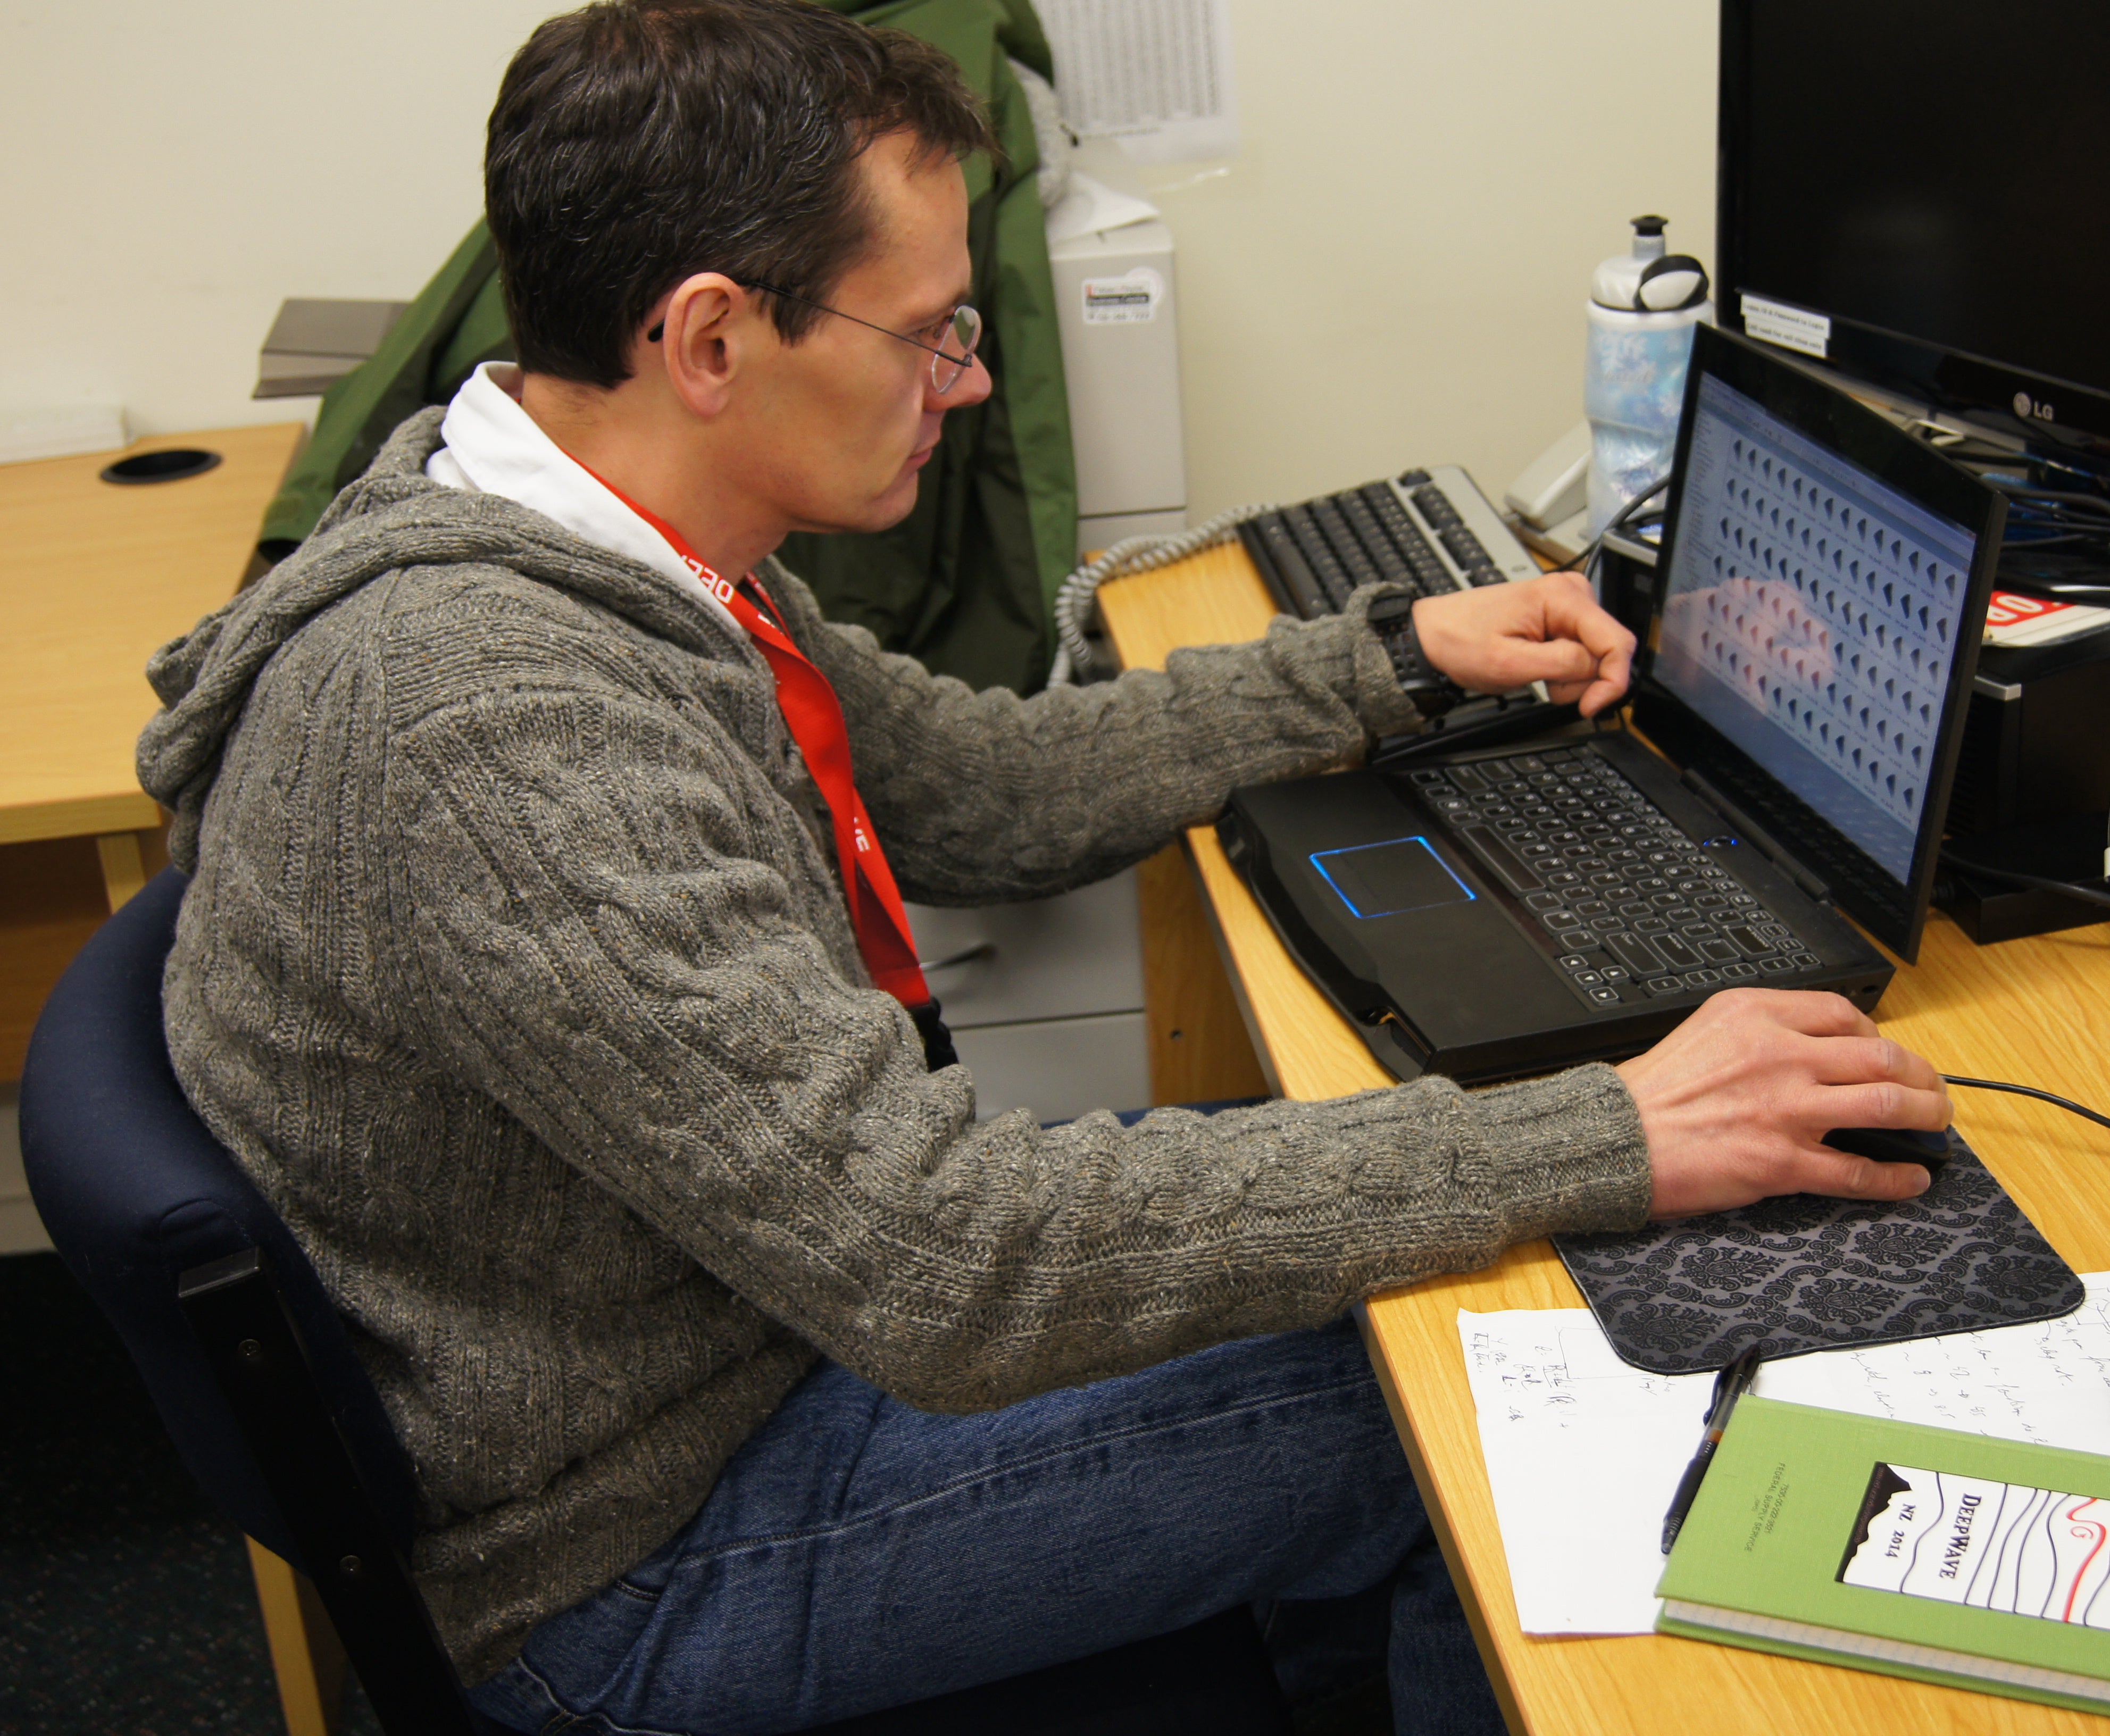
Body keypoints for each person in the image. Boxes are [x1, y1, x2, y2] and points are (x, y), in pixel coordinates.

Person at [136, 3, 1952, 1730]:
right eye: (928, 329)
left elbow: (982, 789)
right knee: (1474, 1394)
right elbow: (943, 1262)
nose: (973, 373)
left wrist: (1387, 660)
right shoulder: (490, 731)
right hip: (641, 1553)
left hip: (754, 1320)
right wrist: (1605, 1131)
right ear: (711, 341)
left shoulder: (617, 537)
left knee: (1425, 1238)